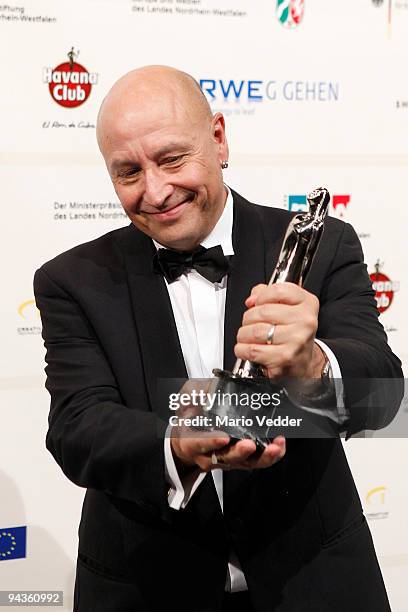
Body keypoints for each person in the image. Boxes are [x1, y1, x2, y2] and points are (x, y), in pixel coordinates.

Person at [34, 65, 403, 612]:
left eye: (172, 158)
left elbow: (383, 397)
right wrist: (177, 444)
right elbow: (77, 429)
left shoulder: (319, 244)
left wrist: (310, 367)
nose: (156, 192)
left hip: (315, 581)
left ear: (219, 138)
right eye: (128, 171)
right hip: (146, 588)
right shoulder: (73, 280)